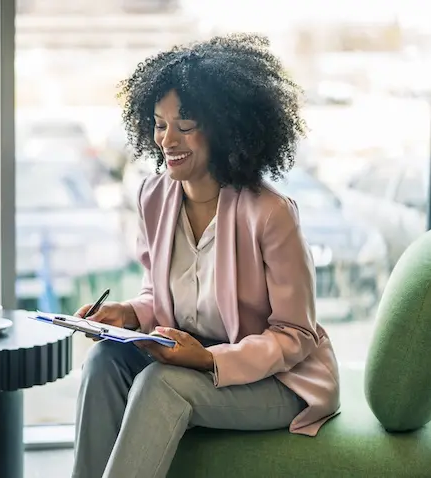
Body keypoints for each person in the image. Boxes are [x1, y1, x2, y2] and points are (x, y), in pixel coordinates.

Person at [71, 34, 340, 478]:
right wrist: (129, 314)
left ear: (223, 126)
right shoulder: (153, 196)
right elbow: (161, 296)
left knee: (162, 384)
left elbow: (297, 335)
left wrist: (208, 360)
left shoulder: (271, 214)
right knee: (103, 363)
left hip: (277, 379)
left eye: (185, 124)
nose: (167, 139)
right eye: (159, 124)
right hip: (193, 358)